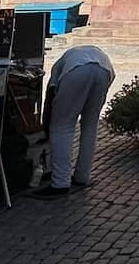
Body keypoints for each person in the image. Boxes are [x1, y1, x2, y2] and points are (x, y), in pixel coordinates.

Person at [32, 44, 115, 199]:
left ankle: (60, 182)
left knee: (61, 126)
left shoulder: (57, 68)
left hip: (75, 70)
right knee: (90, 125)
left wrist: (47, 128)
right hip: (105, 69)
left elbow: (50, 100)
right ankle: (82, 176)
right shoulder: (77, 56)